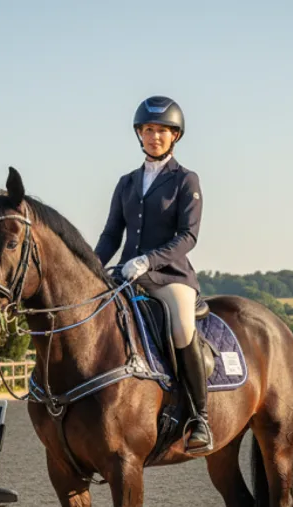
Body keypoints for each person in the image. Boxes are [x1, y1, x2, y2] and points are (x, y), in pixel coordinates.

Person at [94, 95, 212, 454]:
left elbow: (187, 236)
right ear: (139, 134)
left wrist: (148, 260)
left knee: (180, 325)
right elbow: (112, 234)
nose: (154, 136)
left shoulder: (185, 180)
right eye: (148, 129)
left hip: (170, 277)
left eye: (162, 130)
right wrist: (92, 265)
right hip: (127, 274)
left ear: (174, 136)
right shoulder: (127, 183)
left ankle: (198, 416)